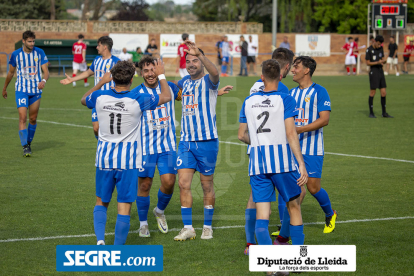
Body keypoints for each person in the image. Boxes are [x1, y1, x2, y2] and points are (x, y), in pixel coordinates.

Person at [80, 60, 172, 246]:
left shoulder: (99, 96)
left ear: (112, 78)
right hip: (127, 162)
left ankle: (100, 241)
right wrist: (161, 75)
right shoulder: (138, 99)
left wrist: (100, 82)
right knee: (124, 206)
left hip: (104, 159)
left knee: (101, 202)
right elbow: (166, 97)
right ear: (132, 79)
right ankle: (118, 249)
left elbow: (83, 100)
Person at [238, 59, 307, 254]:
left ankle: (270, 264)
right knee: (294, 207)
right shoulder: (286, 98)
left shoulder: (248, 101)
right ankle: (299, 257)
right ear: (279, 76)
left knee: (262, 216)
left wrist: (261, 142)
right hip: (282, 164)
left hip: (258, 165)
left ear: (261, 77)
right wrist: (301, 163)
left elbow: (241, 135)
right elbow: (291, 133)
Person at [276, 56, 337, 246]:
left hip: (312, 149)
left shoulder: (320, 91)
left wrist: (299, 129)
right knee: (295, 193)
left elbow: (324, 119)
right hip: (292, 150)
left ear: (307, 70)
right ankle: (285, 232)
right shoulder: (290, 94)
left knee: (312, 188)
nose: (292, 70)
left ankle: (330, 213)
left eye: (296, 67)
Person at [244, 47, 295, 255]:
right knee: (288, 196)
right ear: (287, 67)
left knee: (255, 197)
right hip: (276, 150)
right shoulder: (282, 91)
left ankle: (250, 244)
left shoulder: (255, 87)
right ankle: (283, 239)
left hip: (255, 149)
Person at [173, 41, 222, 241]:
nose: (192, 64)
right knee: (183, 183)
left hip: (207, 141)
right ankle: (188, 228)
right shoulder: (183, 82)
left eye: (195, 61)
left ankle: (207, 227)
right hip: (185, 142)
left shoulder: (209, 81)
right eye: (189, 61)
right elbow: (176, 95)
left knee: (206, 185)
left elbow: (216, 73)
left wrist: (200, 54)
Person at [132, 56, 182, 237]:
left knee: (169, 183)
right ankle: (143, 224)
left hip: (167, 146)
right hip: (144, 148)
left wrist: (214, 92)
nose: (150, 74)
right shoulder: (137, 93)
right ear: (141, 73)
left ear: (159, 70)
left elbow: (190, 94)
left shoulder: (169, 88)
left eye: (153, 70)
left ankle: (159, 211)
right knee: (144, 185)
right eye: (146, 71)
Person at [60, 36, 121, 139]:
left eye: (99, 45)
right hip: (97, 99)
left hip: (111, 101)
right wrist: (72, 79)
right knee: (96, 128)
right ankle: (101, 143)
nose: (97, 47)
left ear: (105, 47)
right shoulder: (97, 60)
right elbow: (88, 72)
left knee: (111, 129)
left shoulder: (116, 62)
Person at [2, 30, 49, 157]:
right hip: (21, 90)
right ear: (23, 41)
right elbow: (11, 73)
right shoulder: (16, 54)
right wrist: (5, 88)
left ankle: (28, 142)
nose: (32, 43)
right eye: (29, 41)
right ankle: (25, 147)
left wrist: (43, 81)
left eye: (33, 41)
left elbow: (46, 71)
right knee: (23, 117)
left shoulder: (39, 52)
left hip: (36, 91)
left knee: (33, 119)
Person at [365, 35, 393, 118]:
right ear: (374, 41)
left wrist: (384, 61)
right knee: (372, 92)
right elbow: (367, 62)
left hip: (380, 71)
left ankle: (384, 113)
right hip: (373, 72)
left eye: (380, 44)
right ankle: (371, 113)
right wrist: (377, 62)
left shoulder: (381, 48)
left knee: (384, 92)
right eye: (378, 43)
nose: (379, 45)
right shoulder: (369, 49)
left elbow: (383, 59)